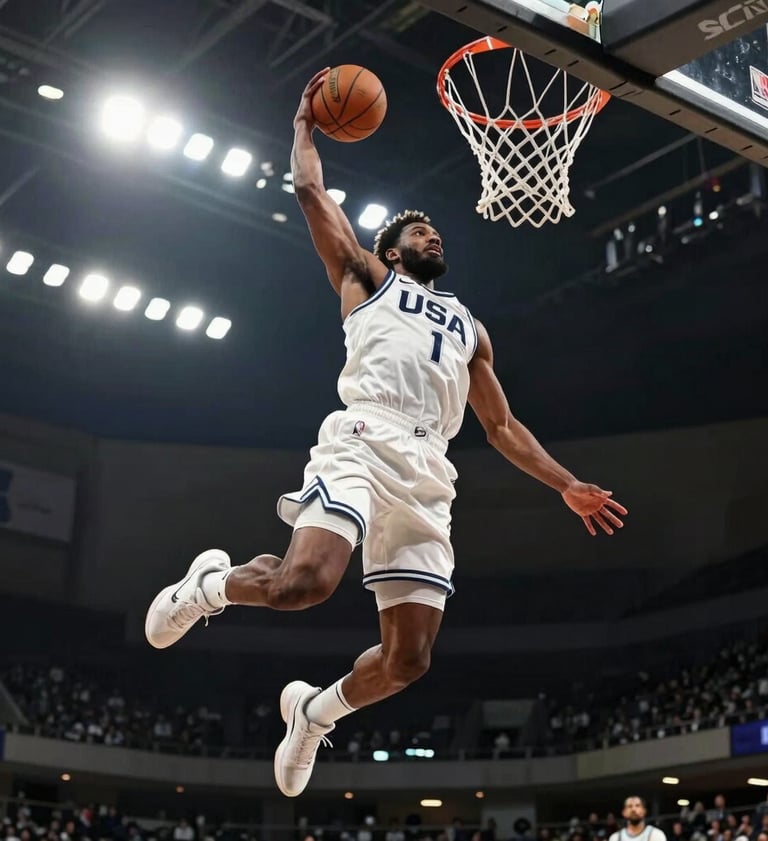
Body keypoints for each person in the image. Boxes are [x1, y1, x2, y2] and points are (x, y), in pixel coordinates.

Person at [144, 68, 628, 798]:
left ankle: (312, 711)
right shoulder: (367, 278)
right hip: (364, 440)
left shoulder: (470, 326)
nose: (432, 230)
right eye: (416, 228)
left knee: (409, 661)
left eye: (434, 227)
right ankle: (210, 585)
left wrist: (567, 485)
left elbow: (500, 425)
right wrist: (303, 128)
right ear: (393, 251)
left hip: (430, 473)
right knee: (303, 584)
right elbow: (313, 195)